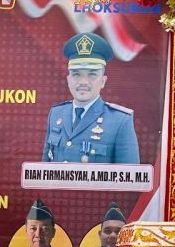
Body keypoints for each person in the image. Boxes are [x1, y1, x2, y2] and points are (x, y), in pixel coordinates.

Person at [42, 32, 139, 164]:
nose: (83, 82)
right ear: (68, 79)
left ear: (103, 81)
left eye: (92, 75)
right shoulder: (56, 114)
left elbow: (130, 179)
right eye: (76, 74)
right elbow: (44, 172)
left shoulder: (120, 121)